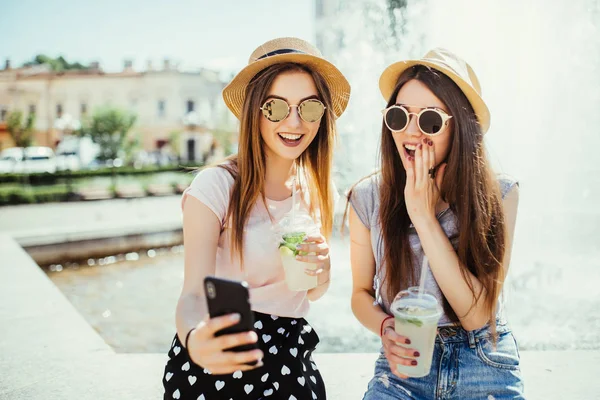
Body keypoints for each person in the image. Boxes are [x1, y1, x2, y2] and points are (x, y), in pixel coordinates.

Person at [162, 37, 350, 400]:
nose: (295, 122)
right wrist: (194, 338)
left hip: (293, 357)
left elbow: (308, 291)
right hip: (225, 352)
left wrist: (322, 274)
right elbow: (192, 295)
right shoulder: (216, 187)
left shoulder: (316, 190)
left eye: (309, 108)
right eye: (276, 108)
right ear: (254, 112)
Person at [346, 48, 525, 399]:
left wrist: (424, 217)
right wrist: (386, 327)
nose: (411, 133)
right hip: (402, 367)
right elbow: (359, 294)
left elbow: (477, 315)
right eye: (399, 117)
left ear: (460, 127)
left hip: (483, 360)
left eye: (429, 120)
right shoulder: (367, 197)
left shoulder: (500, 194)